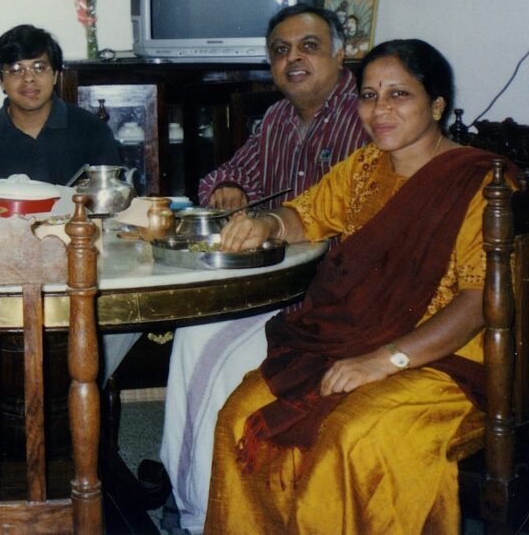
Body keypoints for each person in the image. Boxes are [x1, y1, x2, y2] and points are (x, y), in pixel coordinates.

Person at [205, 39, 507, 533]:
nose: (380, 110)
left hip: (447, 363)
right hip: (347, 340)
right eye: (368, 95)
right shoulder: (364, 168)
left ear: (436, 105)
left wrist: (384, 360)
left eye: (398, 95)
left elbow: (478, 302)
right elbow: (305, 213)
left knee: (350, 434)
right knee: (241, 413)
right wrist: (267, 224)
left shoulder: (480, 185)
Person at [158, 4, 367, 533]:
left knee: (210, 352)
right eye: (280, 51)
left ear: (340, 53)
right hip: (272, 285)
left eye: (308, 46)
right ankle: (193, 498)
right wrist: (228, 190)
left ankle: (199, 508)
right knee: (192, 333)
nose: (292, 59)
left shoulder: (366, 116)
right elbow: (219, 180)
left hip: (329, 301)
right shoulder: (275, 119)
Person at [0, 24, 137, 438]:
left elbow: (114, 209)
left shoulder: (90, 130)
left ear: (56, 74)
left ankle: (72, 398)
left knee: (133, 306)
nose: (28, 79)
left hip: (77, 264)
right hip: (4, 272)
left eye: (39, 67)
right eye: (15, 69)